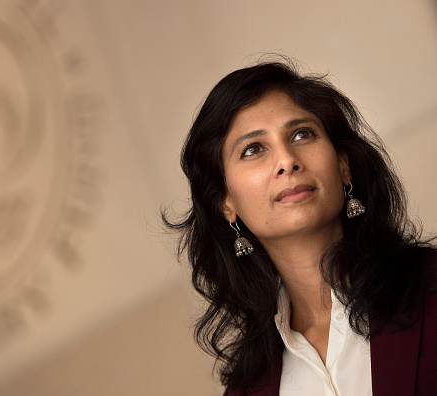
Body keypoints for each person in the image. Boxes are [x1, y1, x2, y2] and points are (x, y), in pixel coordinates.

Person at [163, 58, 437, 395]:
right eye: (253, 149)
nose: (286, 160)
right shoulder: (248, 389)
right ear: (226, 202)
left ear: (343, 167)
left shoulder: (431, 289)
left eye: (302, 134)